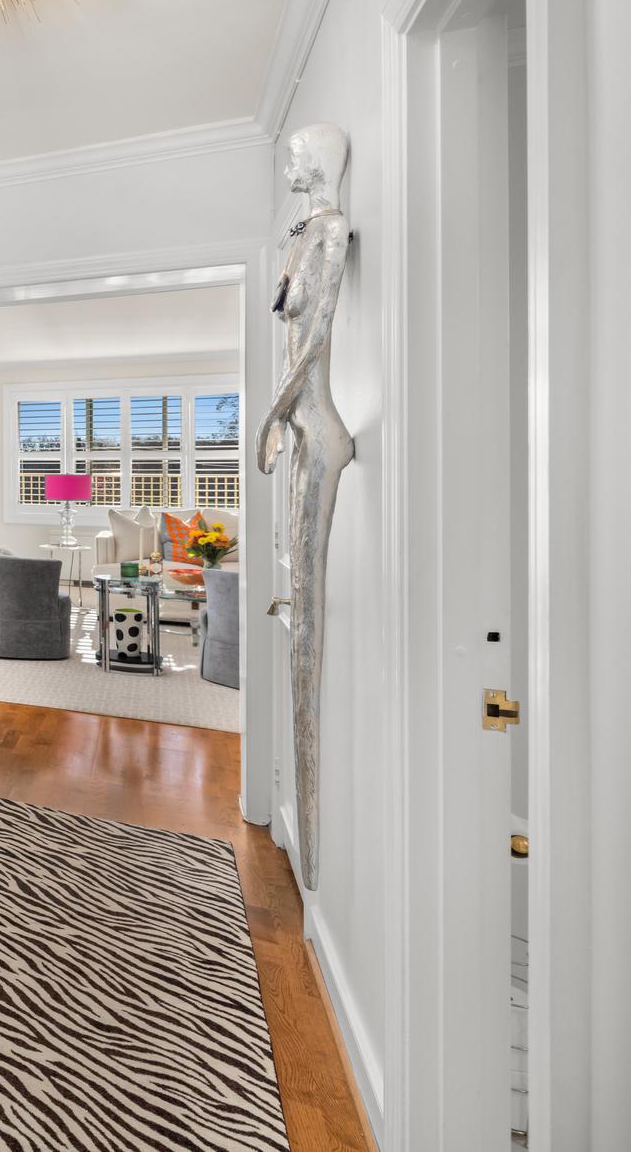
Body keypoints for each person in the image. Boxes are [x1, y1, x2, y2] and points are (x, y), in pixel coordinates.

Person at [258, 122, 356, 890]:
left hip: (316, 429)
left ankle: (317, 845)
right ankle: (309, 834)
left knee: (313, 616)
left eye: (294, 152)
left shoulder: (329, 232)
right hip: (292, 431)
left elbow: (315, 338)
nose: (287, 162)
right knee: (301, 606)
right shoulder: (301, 233)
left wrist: (269, 416)